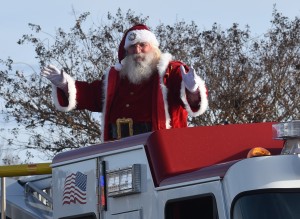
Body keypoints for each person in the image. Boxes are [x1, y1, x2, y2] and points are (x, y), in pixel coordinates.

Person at [41, 24, 208, 141]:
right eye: (132, 47)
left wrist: (192, 90)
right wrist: (65, 85)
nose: (137, 51)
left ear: (153, 47)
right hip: (119, 150)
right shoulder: (115, 78)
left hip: (159, 150)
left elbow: (192, 102)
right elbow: (90, 95)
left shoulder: (170, 72)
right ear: (126, 51)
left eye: (143, 45)